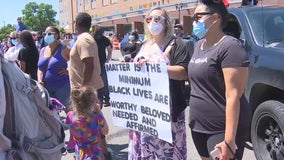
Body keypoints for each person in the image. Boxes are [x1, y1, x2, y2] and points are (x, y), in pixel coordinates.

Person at [187, 0, 251, 160]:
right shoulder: (198, 45)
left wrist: (229, 140)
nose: (194, 22)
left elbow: (233, 96)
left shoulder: (230, 47)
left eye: (198, 17)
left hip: (221, 129)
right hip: (199, 126)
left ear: (215, 18)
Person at [129, 6, 190, 160]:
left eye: (157, 19)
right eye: (149, 19)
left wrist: (157, 68)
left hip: (167, 113)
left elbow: (183, 73)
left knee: (165, 153)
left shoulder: (177, 44)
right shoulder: (143, 45)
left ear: (166, 22)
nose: (152, 22)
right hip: (143, 113)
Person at [69, 12, 112, 159]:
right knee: (92, 128)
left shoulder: (84, 40)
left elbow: (89, 63)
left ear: (77, 23)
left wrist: (84, 90)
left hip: (87, 92)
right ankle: (103, 154)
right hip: (86, 90)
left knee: (92, 127)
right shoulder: (84, 39)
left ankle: (102, 154)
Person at [66, 86, 109, 160]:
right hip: (95, 155)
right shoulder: (96, 117)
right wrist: (99, 112)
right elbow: (105, 131)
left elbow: (71, 130)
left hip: (80, 154)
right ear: (93, 103)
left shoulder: (70, 116)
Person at [37, 26, 71, 112]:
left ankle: (73, 125)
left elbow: (77, 63)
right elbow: (40, 68)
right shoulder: (42, 50)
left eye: (49, 34)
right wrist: (39, 79)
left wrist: (69, 72)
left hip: (62, 87)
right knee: (51, 113)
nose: (46, 36)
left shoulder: (64, 49)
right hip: (47, 87)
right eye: (45, 34)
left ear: (56, 36)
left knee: (69, 111)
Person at [92, 25, 113, 107]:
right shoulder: (91, 39)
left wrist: (107, 60)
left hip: (101, 64)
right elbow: (110, 50)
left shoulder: (104, 39)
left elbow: (109, 49)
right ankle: (99, 99)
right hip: (93, 64)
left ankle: (106, 99)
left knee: (104, 82)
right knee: (99, 82)